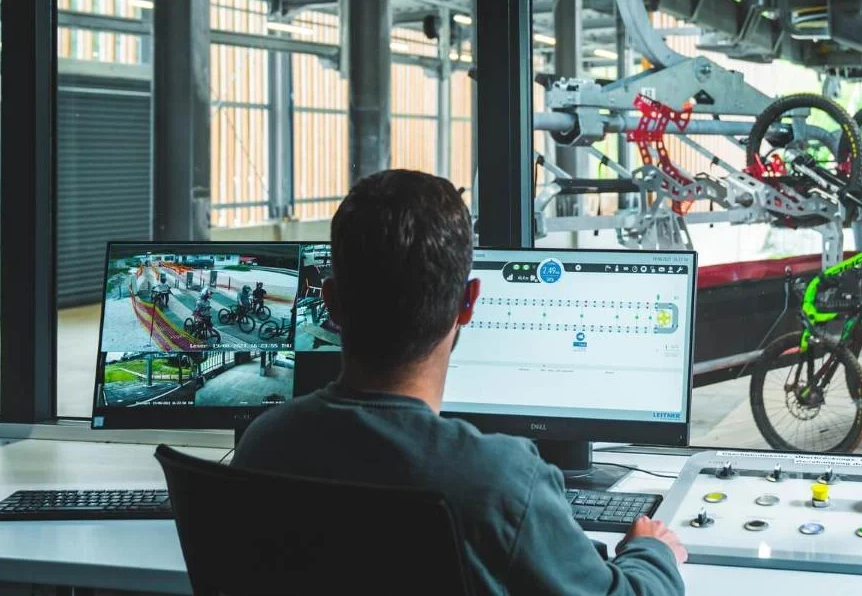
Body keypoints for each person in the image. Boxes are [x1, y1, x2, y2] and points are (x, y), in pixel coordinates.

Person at [235, 169, 686, 596]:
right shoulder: (499, 480)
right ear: (469, 302)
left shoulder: (264, 444)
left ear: (331, 304)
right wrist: (652, 551)